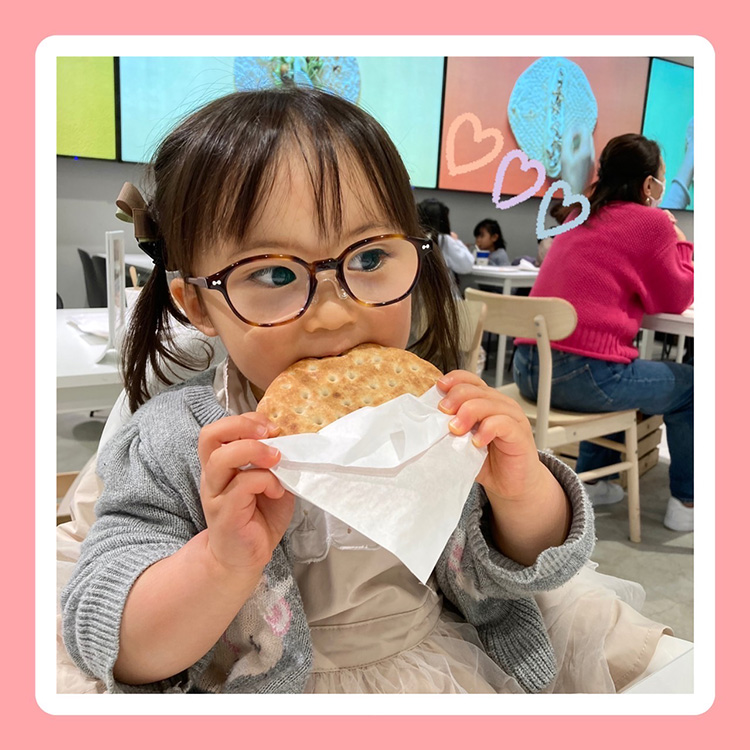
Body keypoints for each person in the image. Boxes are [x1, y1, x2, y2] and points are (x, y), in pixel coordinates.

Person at [61, 89, 670, 695]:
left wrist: (522, 493)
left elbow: (521, 566)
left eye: (372, 257)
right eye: (274, 273)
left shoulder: (432, 417)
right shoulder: (176, 441)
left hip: (441, 668)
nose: (333, 313)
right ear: (197, 304)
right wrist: (219, 564)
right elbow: (110, 636)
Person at [512, 133, 694, 532]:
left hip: (526, 368)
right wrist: (681, 242)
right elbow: (677, 298)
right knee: (692, 386)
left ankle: (598, 483)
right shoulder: (652, 222)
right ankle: (686, 503)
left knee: (610, 363)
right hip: (579, 377)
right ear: (649, 185)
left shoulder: (579, 216)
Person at [417, 198, 474, 295]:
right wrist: (456, 241)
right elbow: (467, 265)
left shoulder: (412, 239)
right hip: (444, 299)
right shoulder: (443, 240)